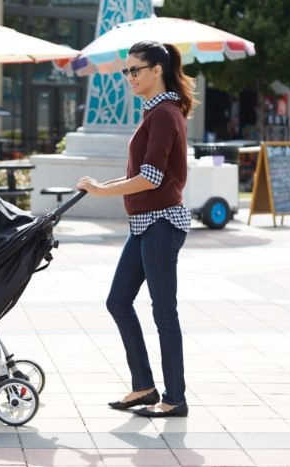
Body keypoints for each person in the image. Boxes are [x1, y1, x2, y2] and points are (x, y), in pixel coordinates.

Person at [77, 40, 197, 418]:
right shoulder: (155, 113)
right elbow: (138, 174)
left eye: (135, 69)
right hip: (146, 223)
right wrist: (103, 186)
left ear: (156, 70)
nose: (129, 76)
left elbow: (150, 177)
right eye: (126, 70)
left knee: (164, 311)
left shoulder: (164, 113)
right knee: (118, 300)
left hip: (161, 222)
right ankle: (144, 386)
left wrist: (103, 191)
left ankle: (174, 398)